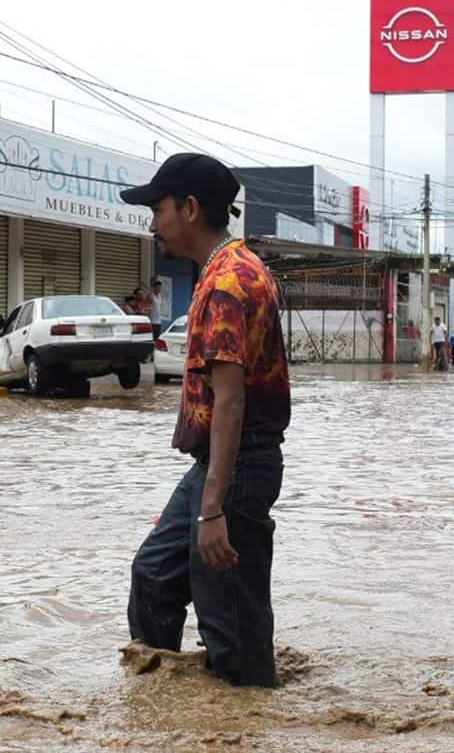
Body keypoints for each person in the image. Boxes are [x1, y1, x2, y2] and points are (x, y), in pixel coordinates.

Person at [121, 152, 290, 688]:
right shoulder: (227, 270)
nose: (152, 223)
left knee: (231, 623)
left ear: (189, 208)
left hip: (235, 467)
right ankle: (165, 708)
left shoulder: (227, 282)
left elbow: (231, 400)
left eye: (157, 208)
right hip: (218, 464)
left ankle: (246, 717)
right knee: (155, 574)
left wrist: (213, 508)